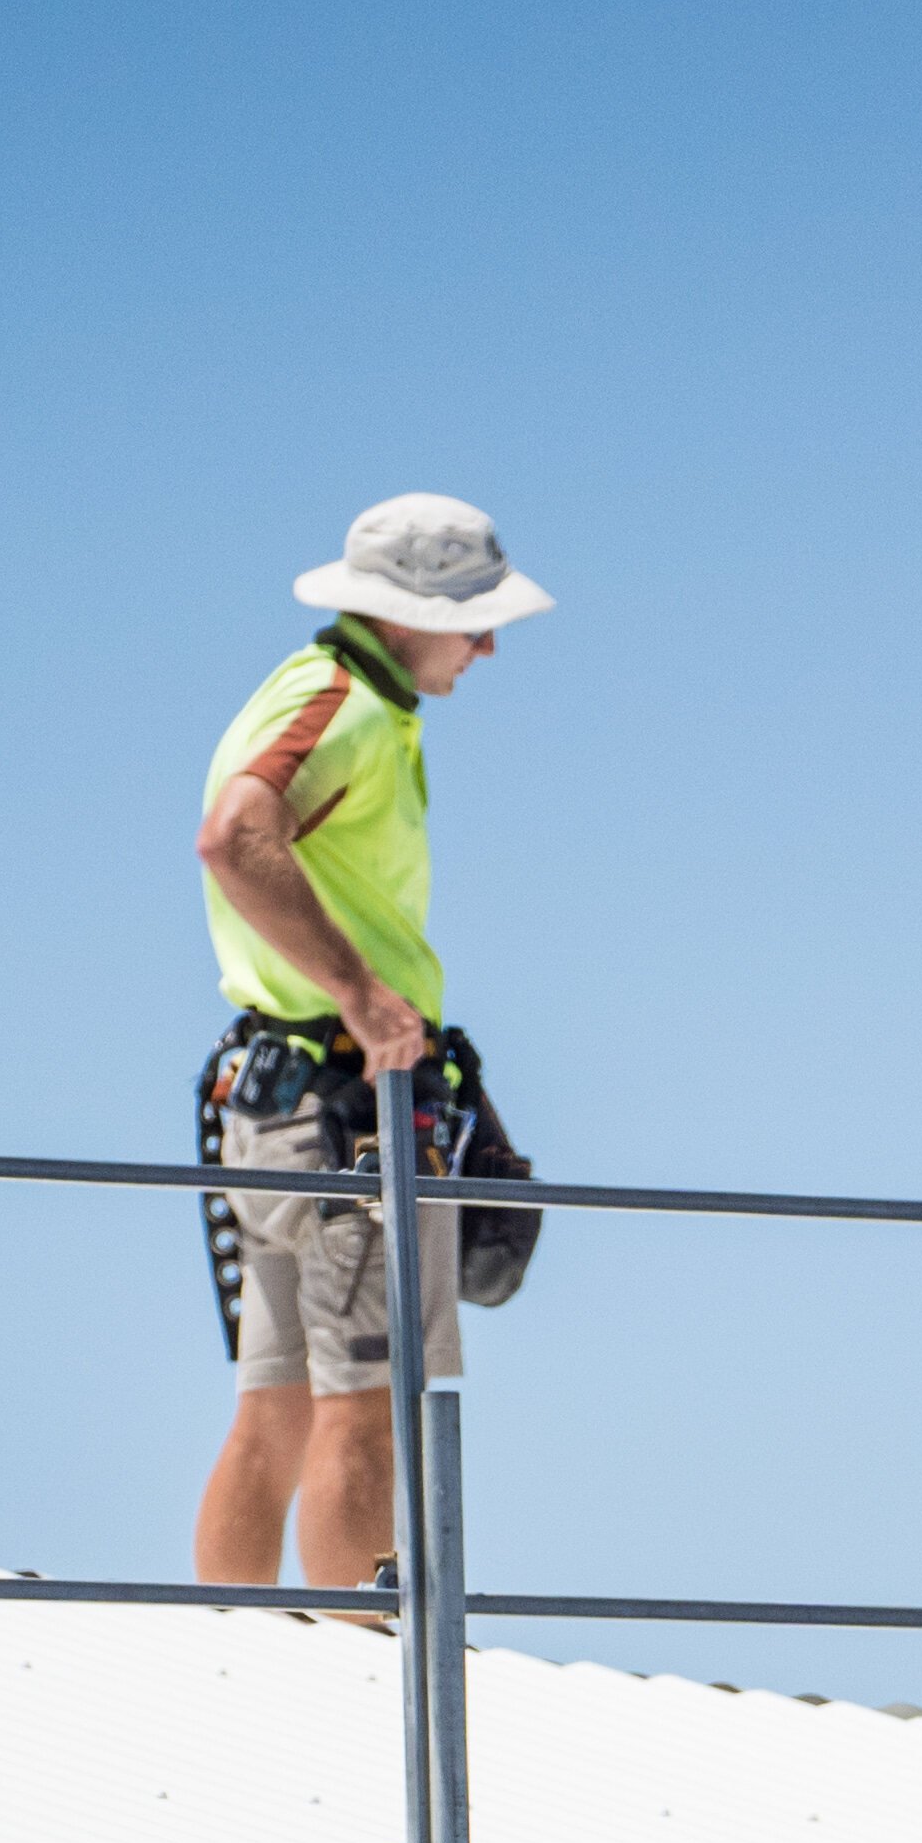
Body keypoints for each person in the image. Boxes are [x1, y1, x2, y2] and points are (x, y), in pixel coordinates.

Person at [189, 492, 550, 1594]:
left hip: (276, 1095)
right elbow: (234, 836)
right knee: (371, 1405)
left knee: (279, 1409)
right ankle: (368, 1690)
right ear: (402, 616)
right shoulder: (342, 706)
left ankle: (221, 1665)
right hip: (348, 1113)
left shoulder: (325, 695)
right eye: (471, 619)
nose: (487, 644)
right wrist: (363, 996)